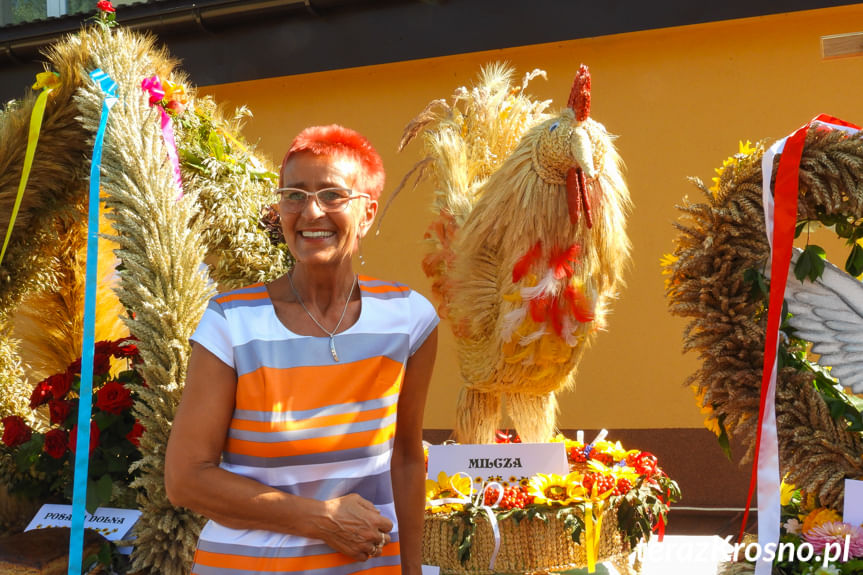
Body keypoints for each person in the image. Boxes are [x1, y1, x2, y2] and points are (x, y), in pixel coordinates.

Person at [165, 124, 439, 575]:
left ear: (368, 213)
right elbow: (185, 480)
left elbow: (406, 459)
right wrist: (321, 520)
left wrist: (412, 571)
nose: (311, 212)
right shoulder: (231, 321)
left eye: (332, 194)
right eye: (294, 194)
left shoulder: (409, 318)